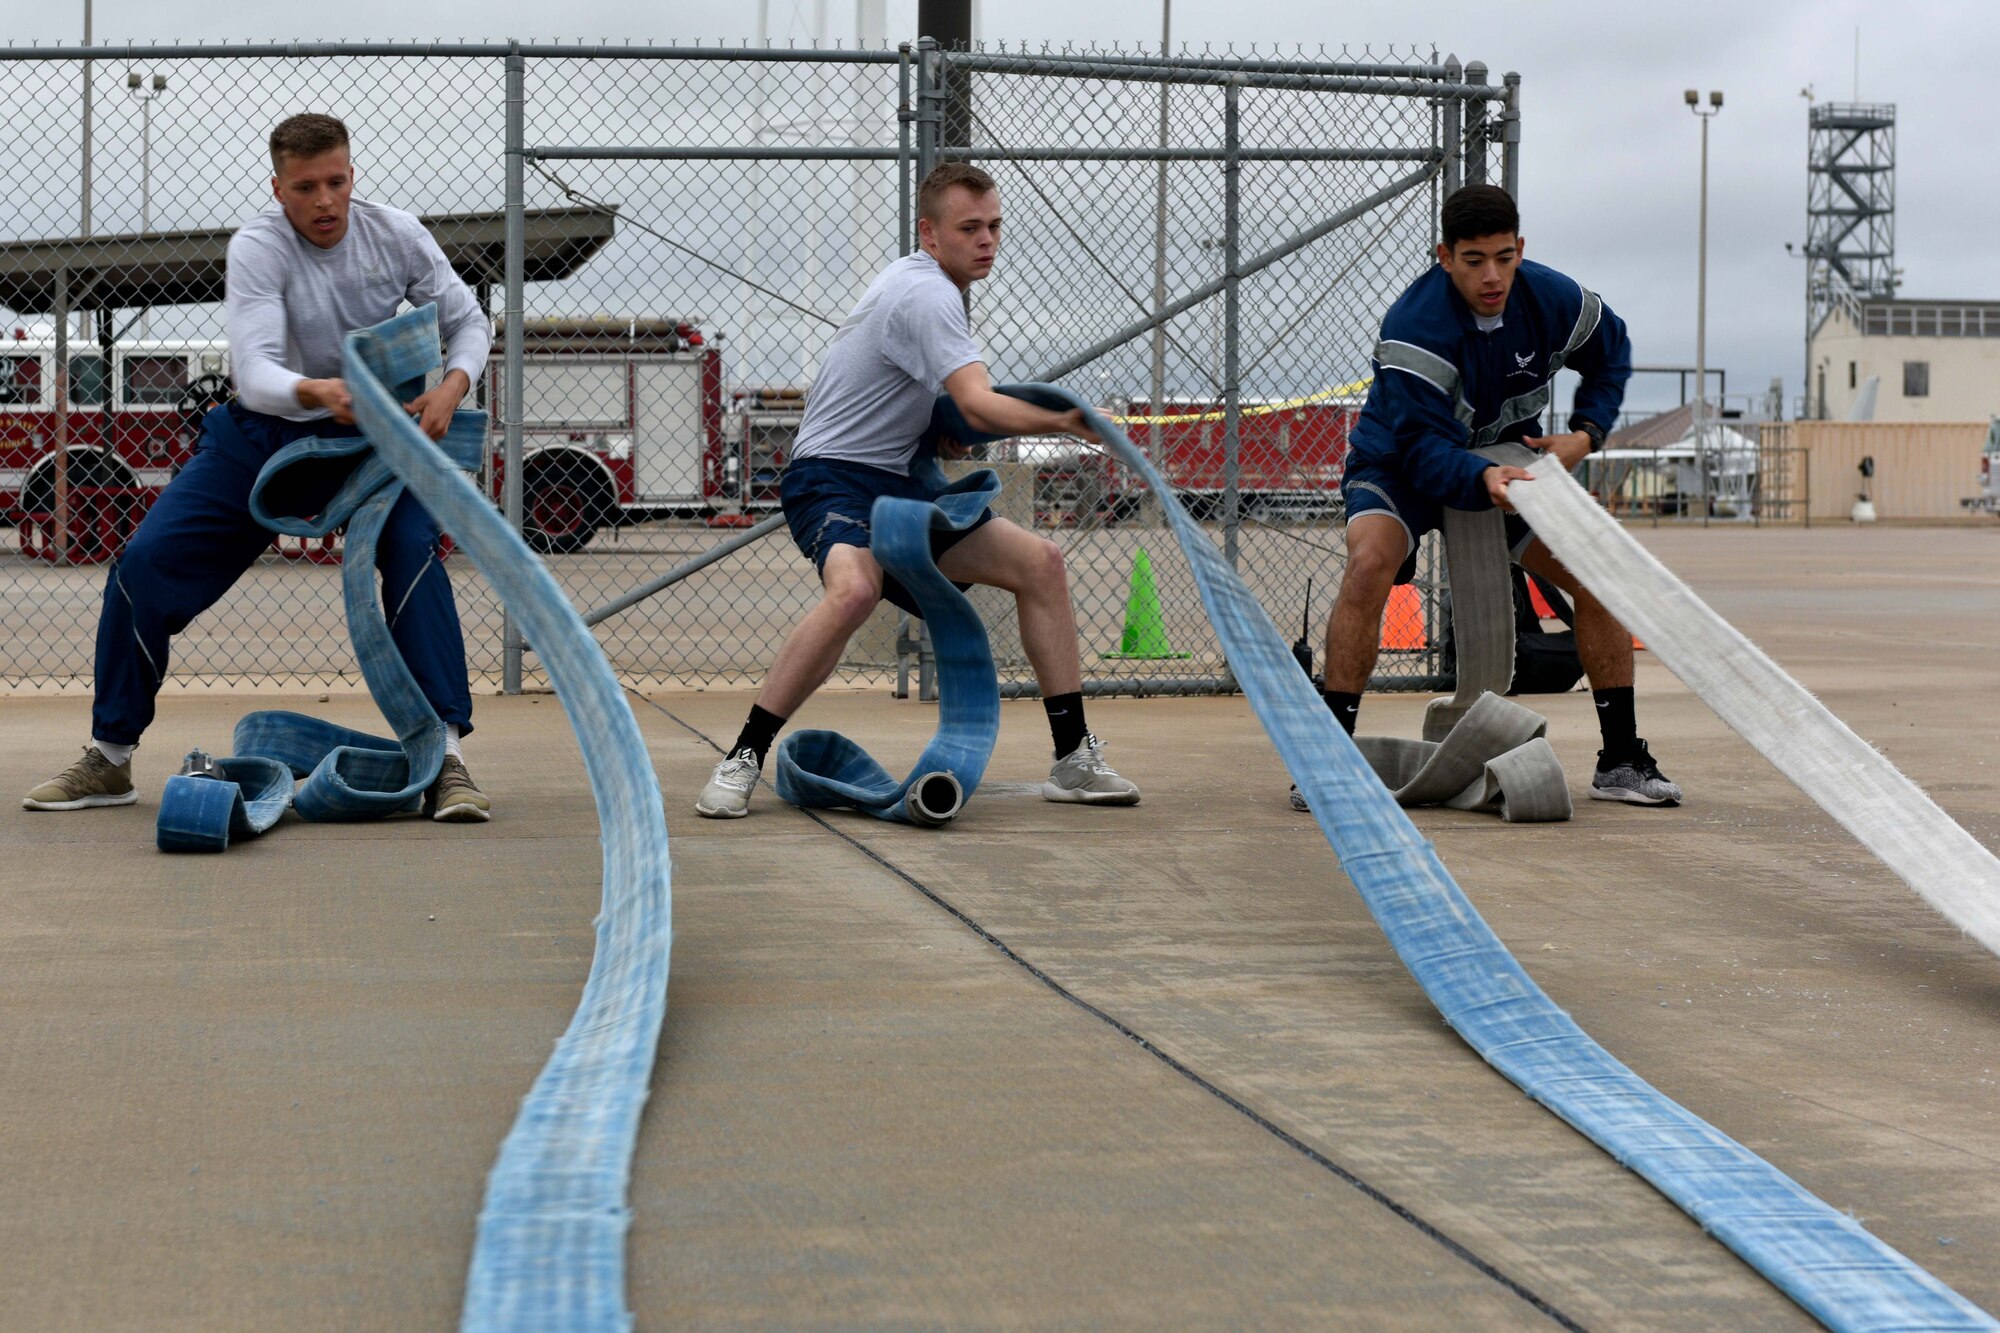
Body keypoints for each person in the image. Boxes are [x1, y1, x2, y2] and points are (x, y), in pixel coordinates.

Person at [24, 113, 492, 822]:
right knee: (144, 565)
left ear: (352, 175)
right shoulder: (258, 248)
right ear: (279, 188)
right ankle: (110, 758)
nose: (325, 201)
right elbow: (257, 367)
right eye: (306, 187)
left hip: (373, 441)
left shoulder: (396, 233)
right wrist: (317, 391)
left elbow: (468, 322)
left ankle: (448, 761)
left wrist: (453, 384)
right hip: (262, 436)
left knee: (412, 548)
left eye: (336, 182)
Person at [696, 162, 1141, 818]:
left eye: (994, 226)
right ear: (929, 234)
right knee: (853, 591)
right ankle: (744, 756)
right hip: (832, 477)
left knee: (1040, 564)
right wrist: (1075, 422)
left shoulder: (933, 289)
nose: (987, 240)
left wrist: (940, 427)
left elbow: (943, 407)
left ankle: (1073, 756)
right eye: (970, 228)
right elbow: (980, 404)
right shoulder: (927, 293)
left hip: (902, 482)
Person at [1306, 183, 1682, 808]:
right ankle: (1325, 763)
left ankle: (1620, 760)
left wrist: (1585, 434)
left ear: (1520, 250)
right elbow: (1424, 448)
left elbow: (1610, 350)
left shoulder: (1552, 298)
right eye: (1474, 260)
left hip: (1507, 464)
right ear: (1444, 255)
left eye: (1504, 258)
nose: (1492, 276)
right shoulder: (1414, 328)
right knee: (1369, 563)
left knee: (1598, 572)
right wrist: (1479, 479)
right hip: (1403, 463)